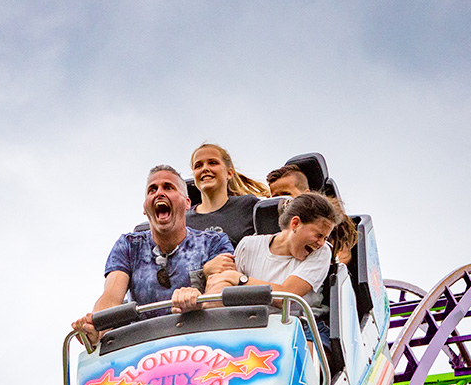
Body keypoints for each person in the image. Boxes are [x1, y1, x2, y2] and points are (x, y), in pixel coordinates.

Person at [72, 165, 234, 346]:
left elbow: (220, 288)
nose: (159, 193)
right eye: (152, 189)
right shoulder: (129, 245)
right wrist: (97, 329)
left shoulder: (213, 242)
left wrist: (199, 300)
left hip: (202, 343)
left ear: (187, 203)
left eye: (168, 187)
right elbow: (111, 296)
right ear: (144, 208)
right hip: (145, 352)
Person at [207, 193, 340, 346]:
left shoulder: (321, 253)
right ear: (295, 224)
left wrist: (239, 279)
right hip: (251, 326)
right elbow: (218, 291)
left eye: (325, 238)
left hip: (300, 325)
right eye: (318, 235)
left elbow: (286, 297)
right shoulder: (248, 245)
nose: (321, 243)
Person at [185, 143, 269, 246]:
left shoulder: (248, 206)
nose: (205, 168)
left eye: (213, 163)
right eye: (198, 166)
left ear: (229, 173)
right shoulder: (185, 221)